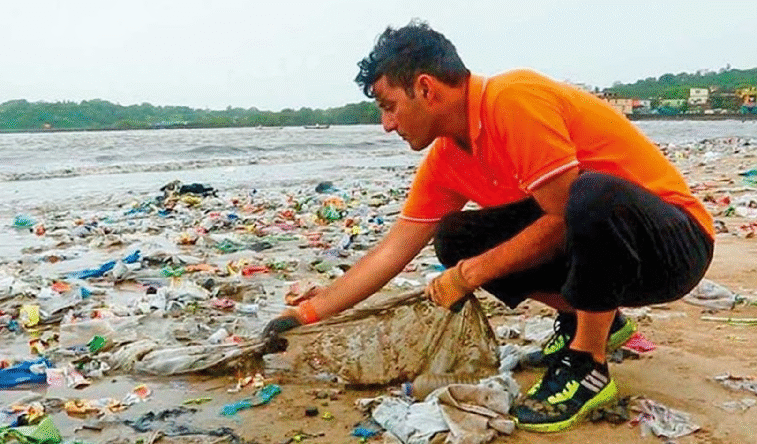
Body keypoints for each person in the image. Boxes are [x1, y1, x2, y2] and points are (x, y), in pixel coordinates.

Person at [262, 21, 714, 433]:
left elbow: (563, 219)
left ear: (426, 88)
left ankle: (587, 363)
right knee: (455, 237)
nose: (387, 124)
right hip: (601, 253)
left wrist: (470, 275)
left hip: (674, 245)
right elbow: (392, 250)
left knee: (588, 193)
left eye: (390, 107)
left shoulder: (512, 100)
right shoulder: (447, 159)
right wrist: (307, 314)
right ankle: (595, 319)